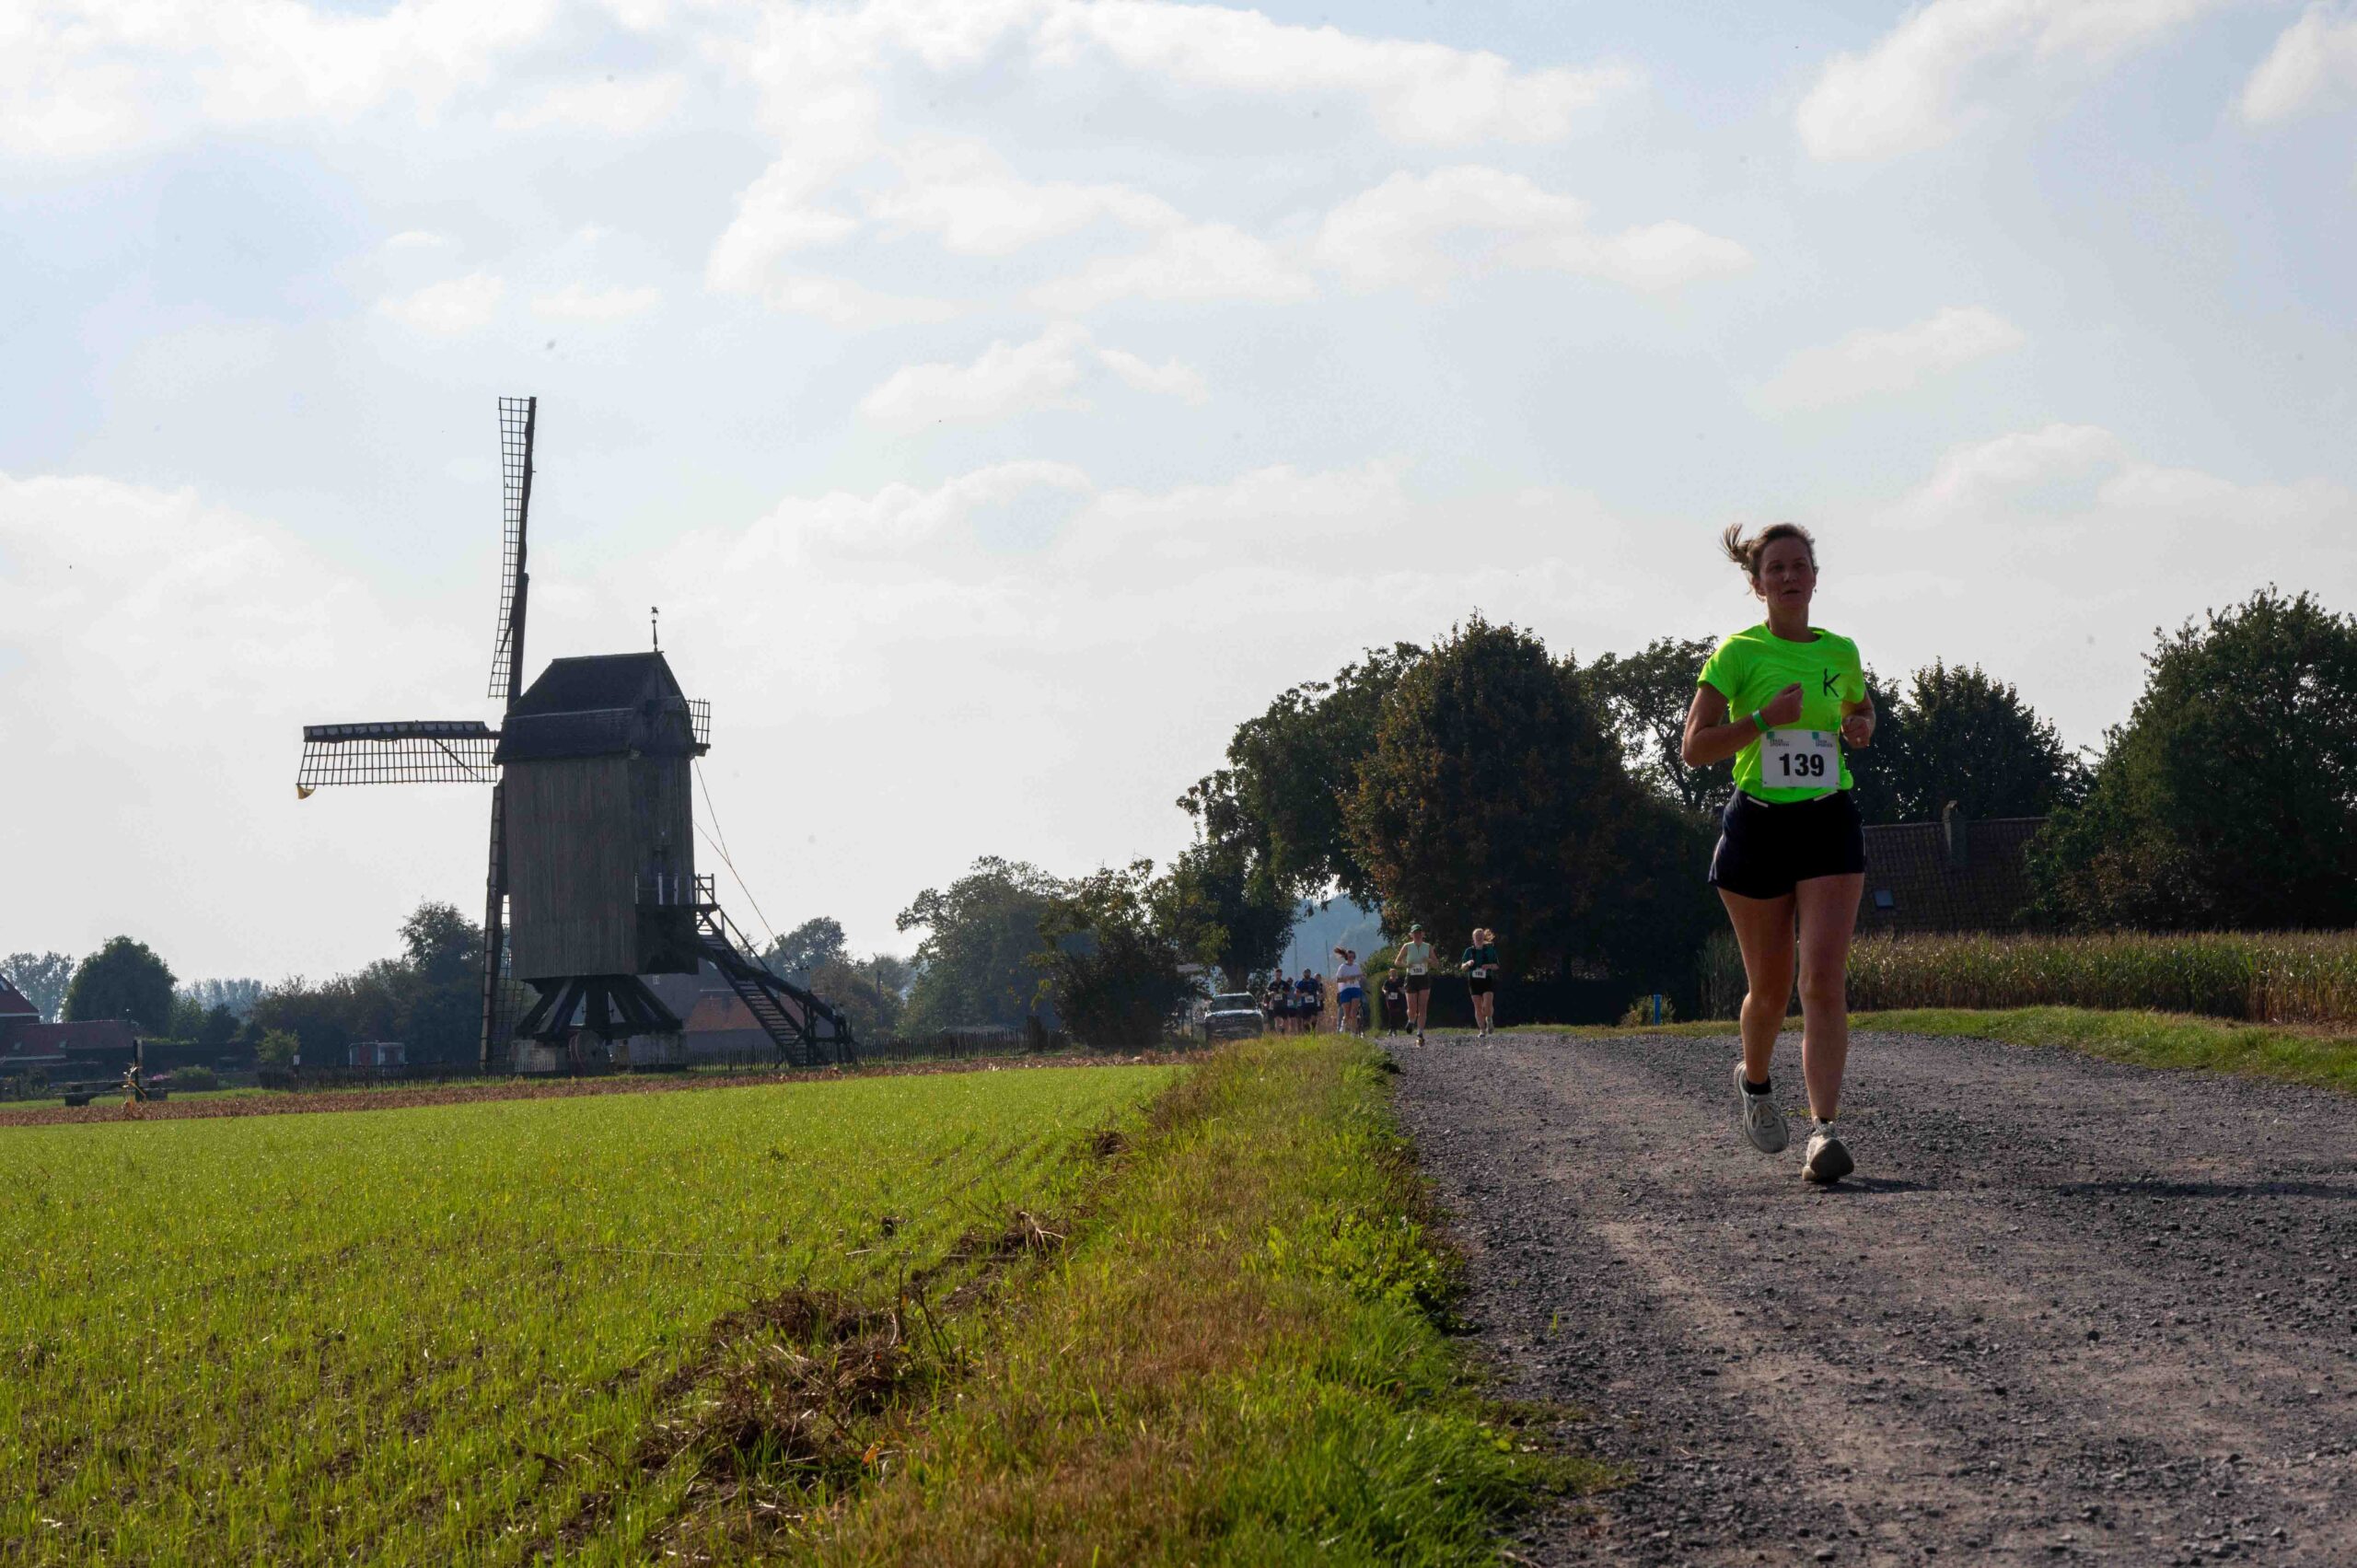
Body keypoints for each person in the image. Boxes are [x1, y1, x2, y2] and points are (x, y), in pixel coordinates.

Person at [1680, 521, 1874, 1185]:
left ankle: (1824, 1132)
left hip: (1828, 821)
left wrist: (1860, 724)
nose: (1790, 577)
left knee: (1821, 980)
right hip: (1758, 828)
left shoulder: (1841, 650)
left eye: (1800, 566)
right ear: (1758, 584)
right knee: (1769, 990)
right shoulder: (1738, 653)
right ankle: (1756, 1082)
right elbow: (1694, 747)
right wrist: (1764, 720)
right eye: (1776, 569)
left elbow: (1860, 710)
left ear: (1815, 577)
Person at [1394, 924, 1436, 1044]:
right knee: (1412, 1009)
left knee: (1423, 1007)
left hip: (1424, 978)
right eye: (1415, 933)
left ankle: (1420, 1032)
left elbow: (1436, 963)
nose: (1417, 935)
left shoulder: (1428, 946)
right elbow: (1397, 961)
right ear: (1411, 935)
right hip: (1411, 978)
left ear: (1422, 934)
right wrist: (1406, 965)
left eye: (1419, 932)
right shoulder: (1407, 946)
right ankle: (1411, 1020)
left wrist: (1428, 960)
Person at [1461, 928, 1501, 1037]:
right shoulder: (1469, 951)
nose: (1479, 938)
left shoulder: (1490, 950)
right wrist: (1468, 963)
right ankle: (1482, 1030)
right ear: (1473, 938)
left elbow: (1497, 966)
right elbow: (1462, 967)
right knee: (1478, 1006)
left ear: (1483, 937)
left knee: (1487, 1004)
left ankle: (1489, 1019)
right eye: (1477, 936)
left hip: (1487, 979)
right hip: (1473, 980)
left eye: (1481, 936)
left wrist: (1488, 966)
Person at [1334, 948, 1366, 1035]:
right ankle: (1343, 1026)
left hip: (1355, 989)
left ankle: (1353, 1034)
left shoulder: (1356, 966)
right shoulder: (1342, 967)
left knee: (1354, 1013)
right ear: (1346, 958)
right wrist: (1347, 978)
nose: (1351, 959)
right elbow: (1338, 980)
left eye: (1352, 957)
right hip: (1345, 990)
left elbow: (1361, 976)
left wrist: (1358, 977)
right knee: (1347, 1015)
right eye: (1349, 957)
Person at [1379, 970, 1406, 1035]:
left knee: (1395, 1014)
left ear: (1396, 974)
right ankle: (1391, 1029)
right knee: (1391, 1013)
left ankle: (1394, 1029)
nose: (1393, 974)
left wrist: (1402, 990)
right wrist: (1384, 991)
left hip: (1397, 1000)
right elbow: (1383, 988)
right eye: (1392, 973)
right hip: (1390, 1000)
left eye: (1394, 973)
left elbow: (1403, 989)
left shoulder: (1398, 982)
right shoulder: (1387, 981)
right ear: (1389, 974)